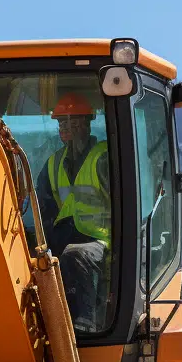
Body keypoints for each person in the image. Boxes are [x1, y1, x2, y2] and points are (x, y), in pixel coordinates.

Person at [35, 92, 111, 331]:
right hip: (67, 233)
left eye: (72, 121)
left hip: (103, 238)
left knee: (76, 255)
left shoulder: (103, 158)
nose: (65, 127)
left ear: (87, 124)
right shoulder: (54, 163)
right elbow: (44, 209)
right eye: (61, 122)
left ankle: (85, 320)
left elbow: (125, 205)